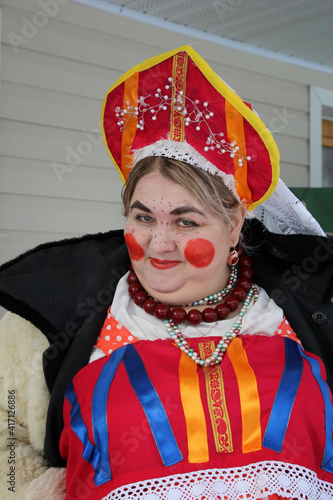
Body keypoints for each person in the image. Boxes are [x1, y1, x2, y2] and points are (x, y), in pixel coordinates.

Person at [0, 46, 332, 500]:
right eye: (143, 218)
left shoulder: (304, 309)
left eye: (185, 221)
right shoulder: (50, 322)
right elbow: (5, 431)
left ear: (233, 224)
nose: (159, 243)